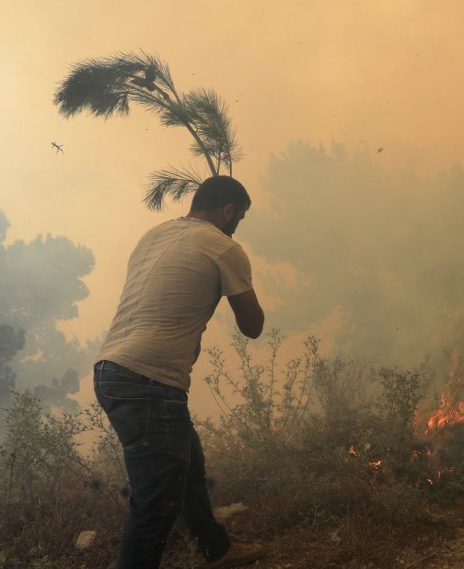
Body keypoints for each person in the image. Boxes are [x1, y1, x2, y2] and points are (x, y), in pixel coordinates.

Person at [94, 175, 266, 568]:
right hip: (149, 380)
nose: (238, 225)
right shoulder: (225, 248)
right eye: (239, 217)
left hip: (111, 370)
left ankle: (216, 549)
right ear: (227, 211)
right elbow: (252, 327)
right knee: (156, 502)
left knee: (187, 465)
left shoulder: (153, 236)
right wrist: (239, 272)